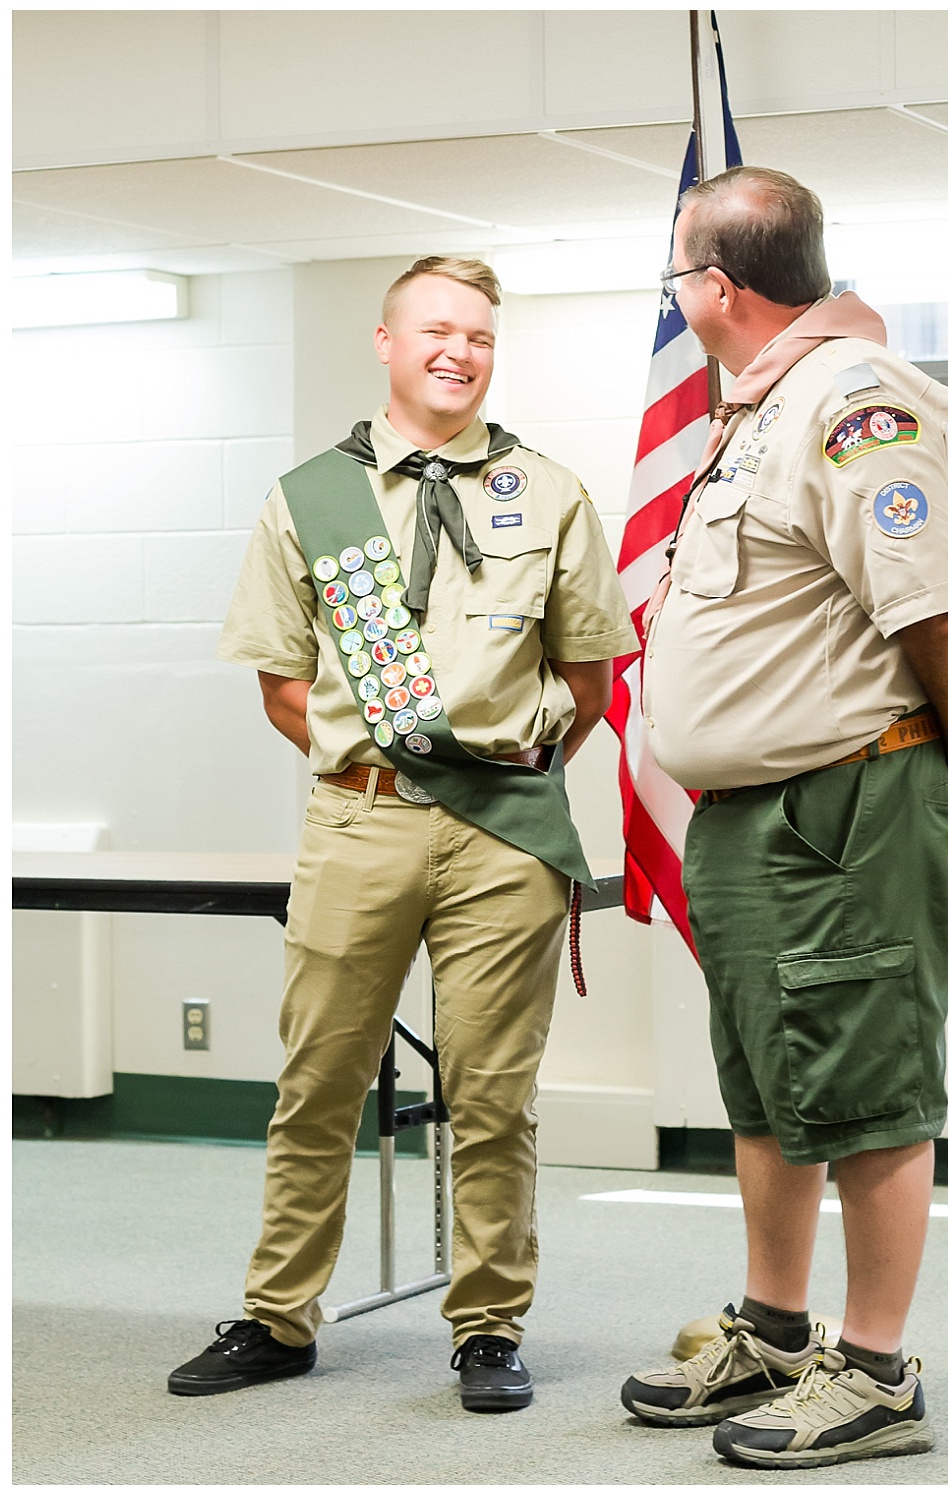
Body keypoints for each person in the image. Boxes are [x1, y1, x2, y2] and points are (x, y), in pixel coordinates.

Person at [168, 256, 637, 1411]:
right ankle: (279, 1316)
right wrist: (382, 772)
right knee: (318, 1080)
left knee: (490, 1095)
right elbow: (283, 685)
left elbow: (586, 675)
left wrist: (502, 777)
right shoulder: (310, 498)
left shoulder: (552, 492)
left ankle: (487, 1327)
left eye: (478, 335)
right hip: (358, 824)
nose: (457, 351)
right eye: (436, 330)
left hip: (504, 834)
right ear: (386, 341)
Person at [623, 167, 948, 1468]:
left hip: (849, 800)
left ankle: (874, 1368)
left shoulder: (856, 401)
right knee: (770, 1086)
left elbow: (944, 614)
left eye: (681, 273)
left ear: (716, 289)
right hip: (750, 813)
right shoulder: (766, 411)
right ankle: (778, 1329)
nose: (679, 296)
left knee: (863, 1090)